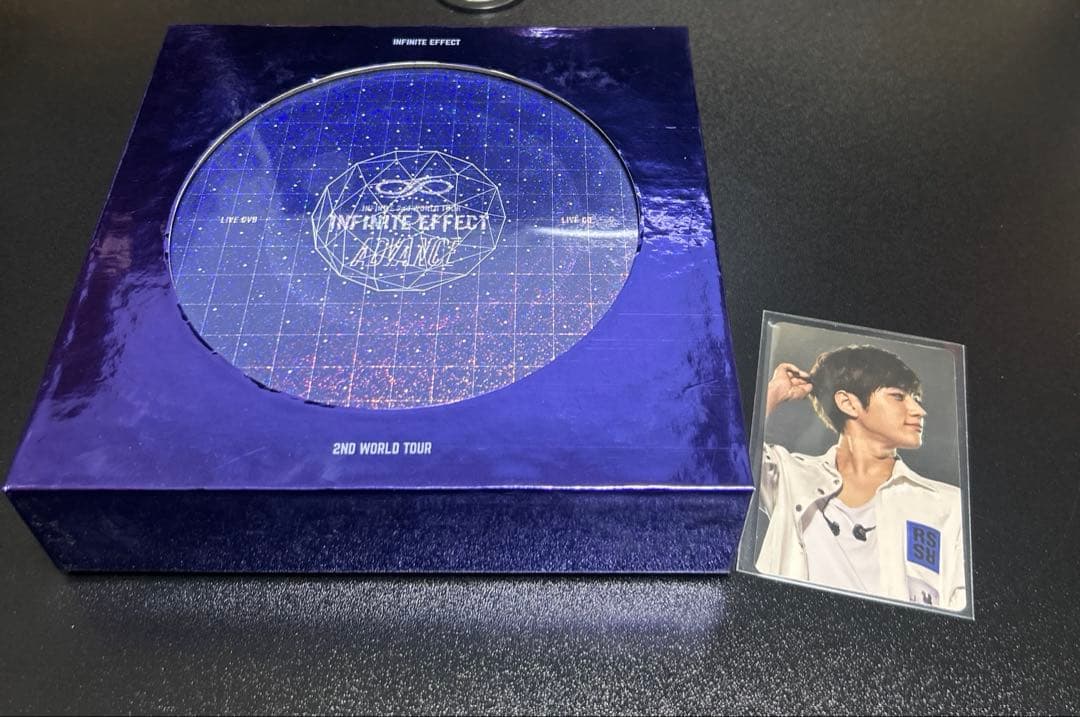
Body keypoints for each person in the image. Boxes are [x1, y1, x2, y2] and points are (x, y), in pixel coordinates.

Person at [753, 345, 967, 611]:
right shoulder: (789, 474)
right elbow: (719, 456)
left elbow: (960, 608)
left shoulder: (950, 505)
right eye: (898, 397)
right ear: (848, 403)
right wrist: (773, 392)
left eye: (916, 399)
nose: (919, 411)